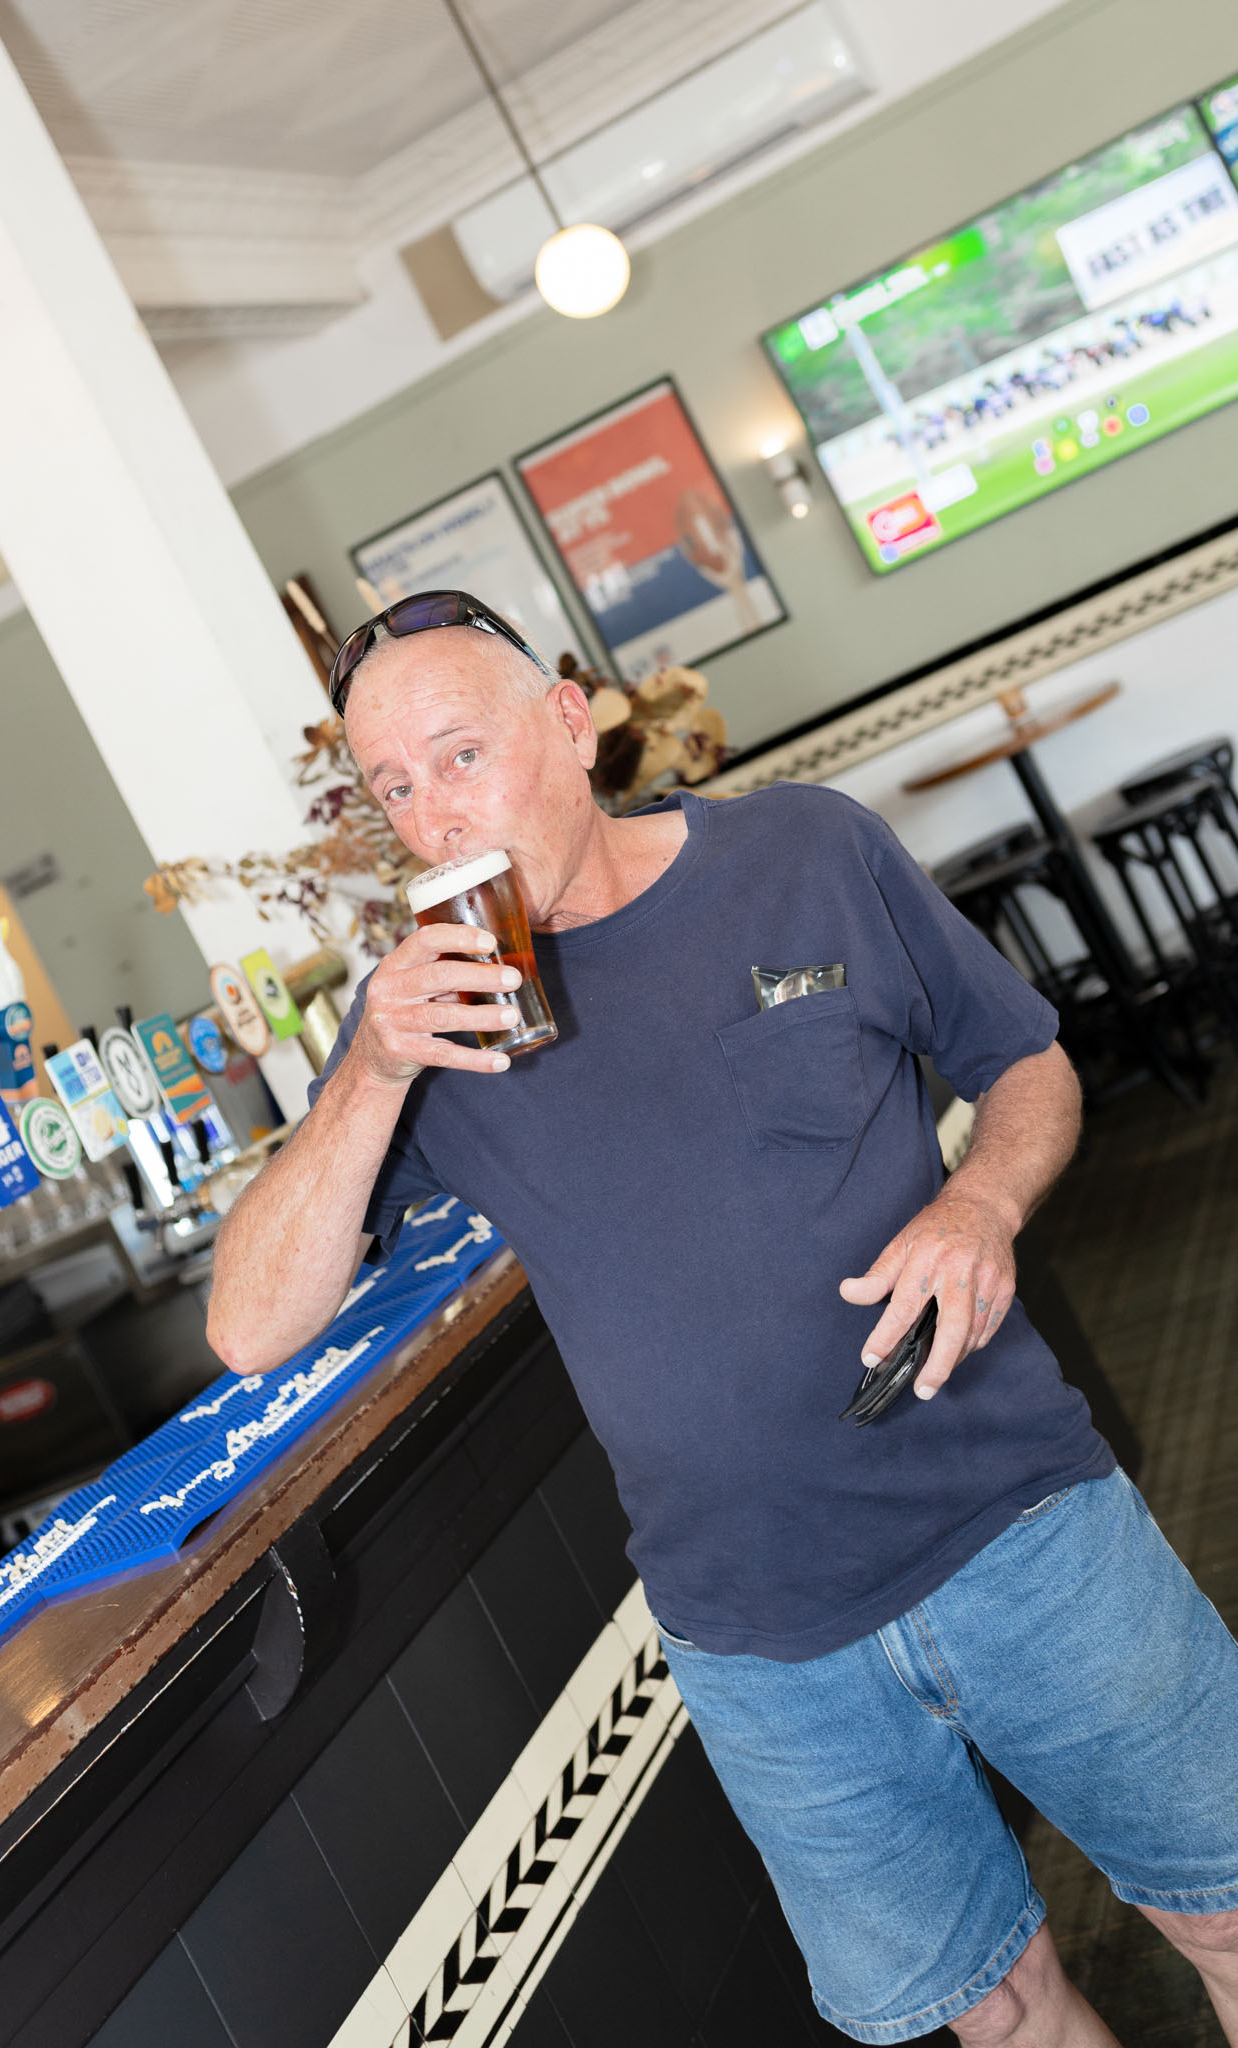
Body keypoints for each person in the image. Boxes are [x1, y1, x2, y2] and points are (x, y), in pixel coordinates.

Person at [207, 594, 1238, 2045]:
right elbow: (250, 1328)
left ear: (567, 722)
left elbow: (1026, 1067)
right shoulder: (423, 1024)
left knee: (1222, 1911)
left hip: (1015, 1522)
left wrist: (977, 1207)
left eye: (459, 755)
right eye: (395, 787)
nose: (436, 815)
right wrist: (368, 1072)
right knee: (990, 2011)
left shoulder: (803, 857)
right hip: (760, 1642)